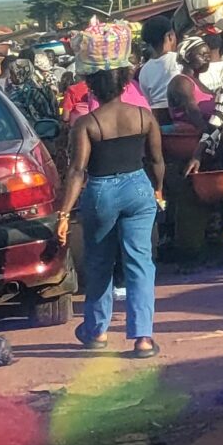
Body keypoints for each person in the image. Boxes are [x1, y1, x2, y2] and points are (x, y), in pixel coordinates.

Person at [54, 56, 166, 358]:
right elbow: (156, 160)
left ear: (91, 86)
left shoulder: (86, 124)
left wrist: (64, 213)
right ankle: (143, 338)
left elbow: (77, 171)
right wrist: (157, 190)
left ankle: (97, 331)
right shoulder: (144, 116)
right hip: (139, 187)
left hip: (101, 191)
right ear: (125, 84)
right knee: (140, 262)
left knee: (99, 262)